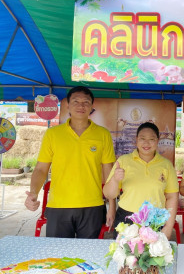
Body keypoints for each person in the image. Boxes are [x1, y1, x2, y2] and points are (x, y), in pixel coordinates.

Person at [24, 86, 116, 238]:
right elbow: (41, 169)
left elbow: (109, 173)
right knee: (57, 256)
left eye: (86, 102)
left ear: (92, 106)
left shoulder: (103, 134)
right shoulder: (53, 134)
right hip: (58, 206)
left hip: (92, 206)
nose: (81, 106)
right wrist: (33, 193)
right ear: (67, 105)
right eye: (76, 101)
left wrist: (112, 206)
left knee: (88, 256)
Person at [103, 122, 179, 239]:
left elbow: (172, 197)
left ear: (157, 140)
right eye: (142, 138)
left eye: (151, 139)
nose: (146, 143)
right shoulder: (124, 161)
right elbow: (109, 194)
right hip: (127, 218)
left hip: (154, 220)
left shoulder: (166, 165)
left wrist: (169, 227)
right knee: (126, 255)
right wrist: (114, 179)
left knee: (151, 256)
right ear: (136, 140)